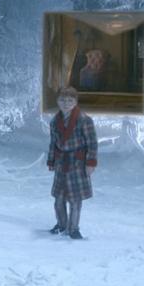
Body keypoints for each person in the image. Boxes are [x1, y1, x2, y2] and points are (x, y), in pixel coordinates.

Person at [47, 87, 98, 239]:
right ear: (57, 101)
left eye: (70, 100)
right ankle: (61, 224)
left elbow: (92, 143)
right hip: (61, 163)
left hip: (77, 163)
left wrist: (91, 163)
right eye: (62, 100)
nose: (66, 103)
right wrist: (51, 160)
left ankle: (73, 228)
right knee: (59, 199)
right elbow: (53, 143)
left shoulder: (84, 119)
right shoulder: (55, 121)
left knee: (75, 199)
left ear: (75, 102)